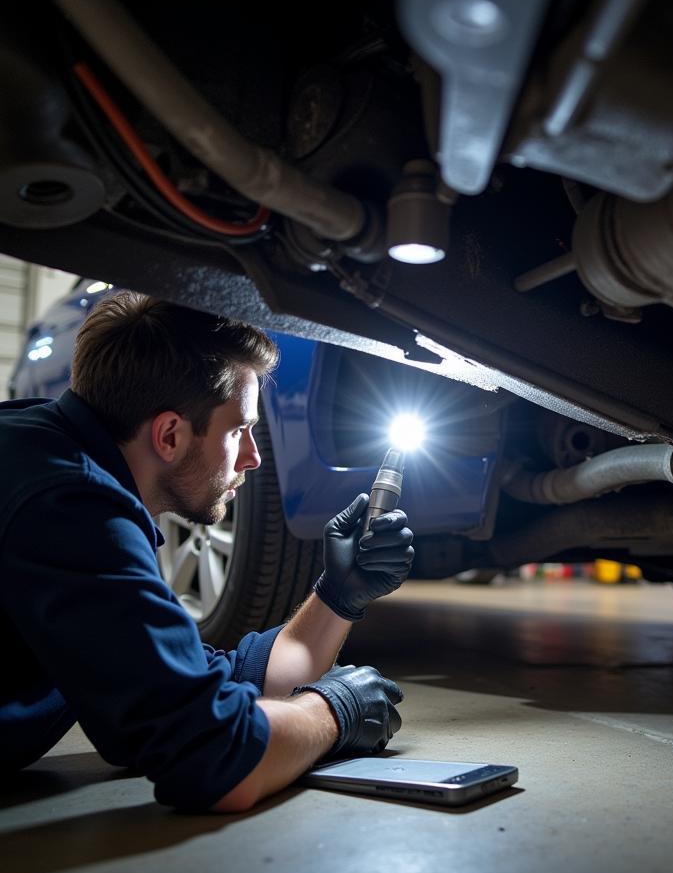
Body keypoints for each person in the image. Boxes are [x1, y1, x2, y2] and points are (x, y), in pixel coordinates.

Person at [0, 290, 414, 811]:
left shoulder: (44, 452)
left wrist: (337, 597)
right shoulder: (69, 506)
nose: (254, 457)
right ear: (169, 434)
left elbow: (202, 684)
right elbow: (213, 758)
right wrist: (332, 714)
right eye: (239, 428)